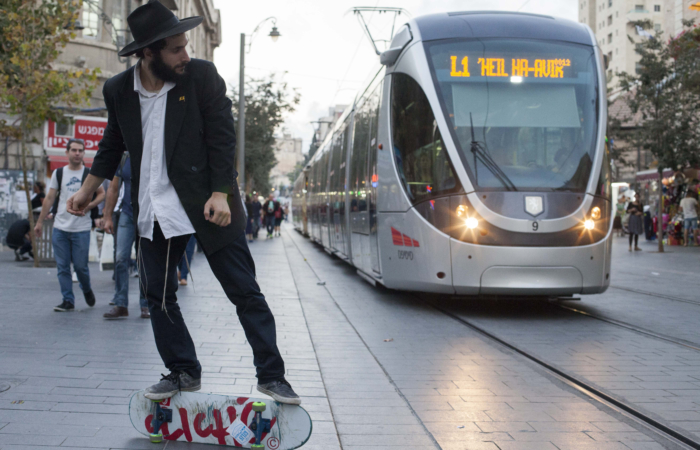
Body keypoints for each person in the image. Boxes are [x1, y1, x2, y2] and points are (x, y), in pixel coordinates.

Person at [65, 1, 299, 404]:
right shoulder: (119, 90)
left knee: (244, 291)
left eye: (186, 45)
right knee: (157, 295)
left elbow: (223, 137)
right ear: (148, 52)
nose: (185, 55)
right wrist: (88, 189)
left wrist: (222, 192)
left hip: (210, 203)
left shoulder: (201, 78)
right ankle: (182, 371)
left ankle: (272, 376)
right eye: (176, 48)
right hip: (154, 208)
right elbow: (112, 144)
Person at [35, 138, 105, 312]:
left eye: (80, 150)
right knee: (63, 267)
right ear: (67, 153)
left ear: (83, 153)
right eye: (74, 150)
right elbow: (50, 198)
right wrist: (39, 222)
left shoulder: (89, 174)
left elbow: (101, 194)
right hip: (60, 228)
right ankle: (68, 300)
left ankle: (87, 289)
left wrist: (89, 205)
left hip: (81, 228)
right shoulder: (59, 173)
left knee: (81, 267)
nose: (77, 153)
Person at [102, 153, 149, 319]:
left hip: (148, 215)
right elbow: (113, 188)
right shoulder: (124, 157)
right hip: (127, 214)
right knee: (121, 257)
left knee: (144, 260)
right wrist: (107, 216)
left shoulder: (154, 153)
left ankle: (146, 304)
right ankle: (120, 303)